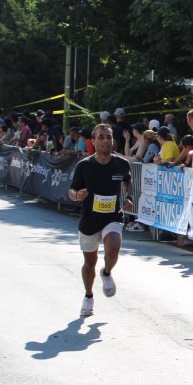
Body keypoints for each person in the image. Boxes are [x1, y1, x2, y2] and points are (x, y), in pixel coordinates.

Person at [68, 124, 134, 317]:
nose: (106, 141)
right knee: (90, 263)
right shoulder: (84, 165)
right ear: (94, 141)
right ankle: (88, 297)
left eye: (109, 137)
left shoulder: (122, 164)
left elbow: (128, 181)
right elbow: (71, 190)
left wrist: (129, 197)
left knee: (114, 246)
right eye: (101, 137)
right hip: (90, 220)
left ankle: (107, 272)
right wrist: (77, 195)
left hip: (112, 216)